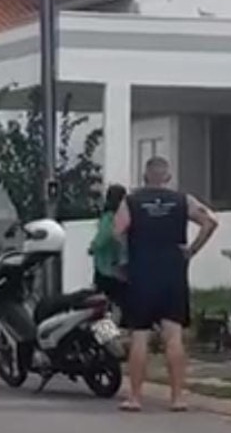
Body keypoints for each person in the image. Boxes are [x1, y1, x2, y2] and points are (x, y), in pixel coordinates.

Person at [114, 156, 218, 413]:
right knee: (174, 336)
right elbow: (210, 222)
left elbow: (117, 231)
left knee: (139, 336)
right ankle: (177, 398)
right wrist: (191, 250)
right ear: (168, 177)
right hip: (173, 273)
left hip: (142, 274)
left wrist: (124, 261)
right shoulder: (184, 200)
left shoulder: (131, 201)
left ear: (145, 175)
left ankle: (135, 398)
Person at [88, 184, 128, 312]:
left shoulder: (109, 216)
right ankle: (123, 328)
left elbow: (103, 237)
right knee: (122, 302)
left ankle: (106, 330)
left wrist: (92, 247)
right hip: (121, 266)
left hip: (105, 267)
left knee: (102, 304)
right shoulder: (125, 216)